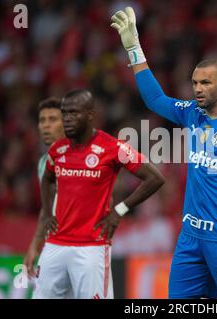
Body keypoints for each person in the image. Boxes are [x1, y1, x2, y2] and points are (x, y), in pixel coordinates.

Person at [111, 7, 217, 298]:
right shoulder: (193, 113)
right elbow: (155, 99)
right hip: (191, 236)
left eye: (205, 83)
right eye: (195, 83)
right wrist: (134, 49)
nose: (198, 89)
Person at [33, 89, 165, 299]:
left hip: (91, 247)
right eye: (64, 113)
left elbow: (155, 178)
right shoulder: (57, 150)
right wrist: (48, 212)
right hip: (55, 245)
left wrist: (119, 210)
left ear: (90, 115)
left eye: (74, 113)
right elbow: (47, 178)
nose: (67, 119)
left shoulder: (112, 147)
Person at [24, 97, 65, 281]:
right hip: (54, 245)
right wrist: (35, 245)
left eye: (52, 119)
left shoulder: (83, 156)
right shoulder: (43, 163)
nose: (46, 126)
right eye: (42, 120)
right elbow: (46, 208)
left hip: (84, 246)